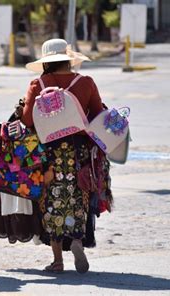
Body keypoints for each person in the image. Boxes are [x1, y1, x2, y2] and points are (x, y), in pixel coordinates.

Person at [21, 38, 105, 274]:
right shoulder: (86, 82)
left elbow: (27, 121)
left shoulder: (38, 83)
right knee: (79, 195)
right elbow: (98, 114)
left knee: (51, 200)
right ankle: (78, 240)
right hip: (79, 151)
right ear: (68, 58)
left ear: (47, 61)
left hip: (49, 152)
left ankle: (58, 259)